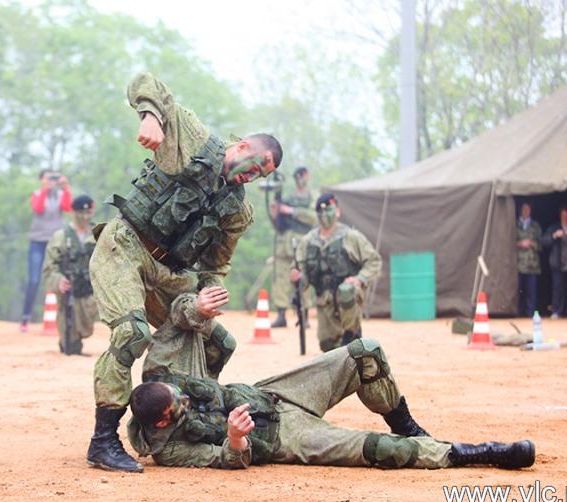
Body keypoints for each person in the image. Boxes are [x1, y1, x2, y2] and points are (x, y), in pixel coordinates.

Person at [87, 72, 282, 473]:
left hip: (169, 272)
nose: (254, 175)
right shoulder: (195, 139)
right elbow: (148, 83)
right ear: (243, 146)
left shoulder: (238, 210)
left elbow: (216, 266)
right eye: (257, 165)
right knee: (132, 334)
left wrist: (207, 297)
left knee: (220, 342)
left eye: (262, 175)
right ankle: (103, 440)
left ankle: (193, 413)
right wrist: (151, 117)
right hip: (126, 245)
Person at [127, 292, 536, 471]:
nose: (186, 398)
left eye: (182, 394)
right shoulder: (170, 450)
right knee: (379, 450)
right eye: (179, 406)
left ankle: (408, 427)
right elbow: (227, 461)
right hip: (287, 437)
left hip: (274, 391)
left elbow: (176, 317)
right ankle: (475, 453)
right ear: (162, 421)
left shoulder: (162, 374)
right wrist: (234, 440)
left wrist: (197, 308)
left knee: (365, 352)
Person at [291, 193, 381, 351]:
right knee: (328, 346)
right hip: (324, 301)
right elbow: (300, 271)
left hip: (348, 296)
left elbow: (374, 261)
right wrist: (297, 277)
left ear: (337, 211)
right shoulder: (308, 241)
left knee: (347, 291)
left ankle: (352, 333)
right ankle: (346, 340)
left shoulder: (351, 237)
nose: (324, 215)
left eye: (329, 210)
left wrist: (359, 279)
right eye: (321, 211)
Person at [41, 195, 99, 355]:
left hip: (92, 291)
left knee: (88, 321)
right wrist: (58, 280)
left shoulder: (98, 235)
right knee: (70, 338)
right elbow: (49, 267)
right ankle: (70, 345)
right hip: (70, 291)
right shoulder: (61, 237)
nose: (85, 216)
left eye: (88, 212)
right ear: (73, 213)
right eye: (81, 212)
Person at [20, 169, 72, 332]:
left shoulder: (60, 195)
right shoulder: (36, 194)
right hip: (37, 242)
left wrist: (66, 188)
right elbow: (38, 208)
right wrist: (44, 190)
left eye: (53, 178)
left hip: (55, 243)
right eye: (47, 178)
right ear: (41, 180)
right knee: (34, 280)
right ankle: (25, 318)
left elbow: (67, 207)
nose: (51, 181)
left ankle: (65, 318)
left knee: (61, 278)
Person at [269, 166, 316, 328]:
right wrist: (275, 212)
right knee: (281, 278)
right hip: (284, 243)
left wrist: (291, 211)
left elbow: (314, 218)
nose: (300, 179)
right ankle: (281, 315)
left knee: (302, 277)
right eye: (297, 176)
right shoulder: (288, 198)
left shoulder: (312, 197)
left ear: (307, 176)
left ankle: (304, 316)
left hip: (302, 242)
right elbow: (278, 224)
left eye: (302, 175)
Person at [542, 206, 567, 319]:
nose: (566, 218)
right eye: (564, 215)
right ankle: (556, 310)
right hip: (558, 262)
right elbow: (544, 241)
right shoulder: (554, 228)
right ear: (560, 216)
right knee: (557, 288)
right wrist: (555, 235)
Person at [515, 201, 542, 317]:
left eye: (528, 209)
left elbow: (541, 244)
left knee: (531, 292)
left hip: (532, 265)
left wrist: (531, 243)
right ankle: (518, 313)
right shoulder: (515, 224)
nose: (526, 211)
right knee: (518, 291)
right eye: (524, 209)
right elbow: (507, 242)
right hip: (518, 264)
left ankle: (530, 314)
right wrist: (519, 243)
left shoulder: (535, 226)